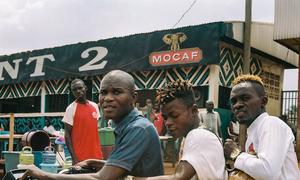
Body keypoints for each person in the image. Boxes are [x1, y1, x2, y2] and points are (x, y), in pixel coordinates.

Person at [20, 70, 163, 179]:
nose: (108, 99)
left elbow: (102, 178)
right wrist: (92, 162)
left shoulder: (137, 128)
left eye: (117, 92)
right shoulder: (126, 125)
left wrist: (43, 174)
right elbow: (124, 167)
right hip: (81, 152)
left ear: (134, 97)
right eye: (104, 92)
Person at [136, 79, 227, 180]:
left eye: (174, 115)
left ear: (194, 111)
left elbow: (178, 178)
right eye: (165, 118)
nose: (168, 123)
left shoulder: (198, 135)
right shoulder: (193, 136)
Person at [224, 74, 300, 179]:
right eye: (234, 101)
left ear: (263, 101)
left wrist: (235, 154)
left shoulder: (271, 123)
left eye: (245, 98)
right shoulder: (253, 132)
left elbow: (267, 171)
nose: (237, 105)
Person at [63, 79, 103, 165]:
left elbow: (95, 131)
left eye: (80, 88)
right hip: (80, 157)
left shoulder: (95, 106)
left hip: (96, 155)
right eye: (74, 89)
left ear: (85, 88)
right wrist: (74, 158)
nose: (78, 91)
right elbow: (67, 136)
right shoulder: (70, 109)